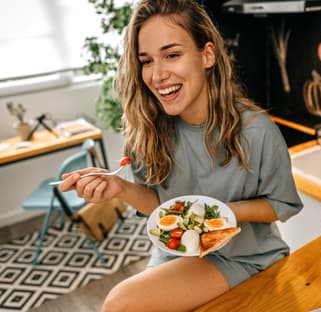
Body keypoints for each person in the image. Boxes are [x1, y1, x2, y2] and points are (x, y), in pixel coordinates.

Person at [59, 0, 303, 311]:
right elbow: (159, 206)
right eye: (146, 61)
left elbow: (281, 205)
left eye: (172, 55)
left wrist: (216, 212)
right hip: (175, 252)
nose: (157, 75)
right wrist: (120, 188)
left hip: (242, 256)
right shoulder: (147, 128)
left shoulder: (257, 131)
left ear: (208, 55)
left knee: (119, 304)